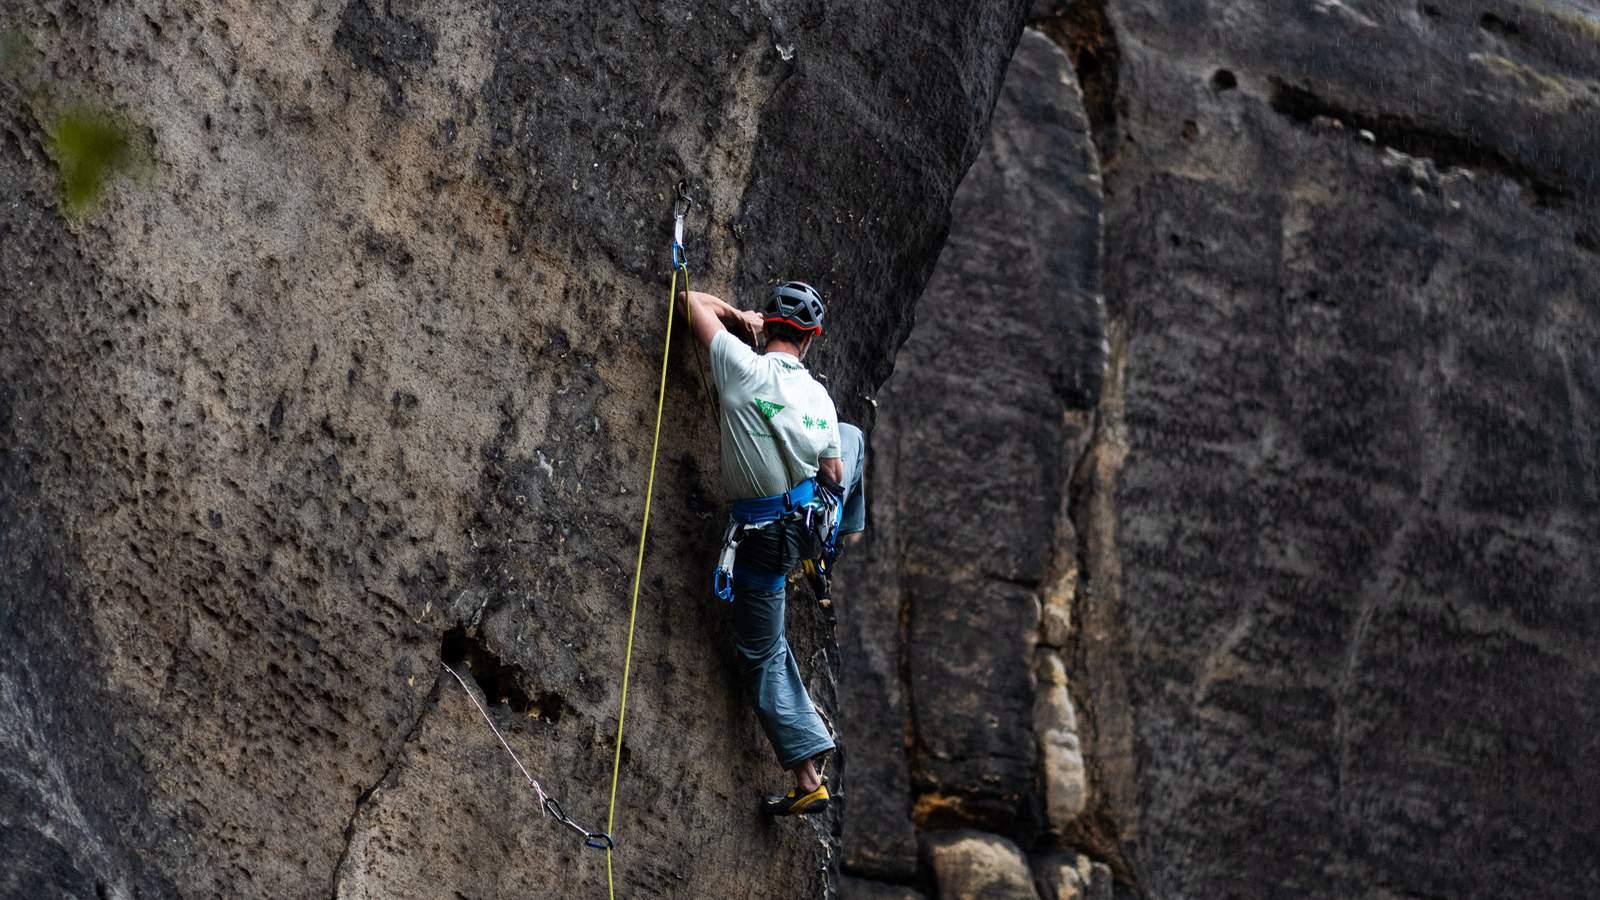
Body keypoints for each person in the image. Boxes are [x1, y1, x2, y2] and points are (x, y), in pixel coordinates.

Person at [677, 280, 865, 816]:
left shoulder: (742, 367)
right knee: (851, 439)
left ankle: (806, 769)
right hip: (804, 527)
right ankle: (833, 548)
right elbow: (833, 471)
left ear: (771, 328)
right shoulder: (819, 397)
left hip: (760, 540)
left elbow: (689, 299)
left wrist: (740, 318)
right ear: (811, 340)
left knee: (763, 651)